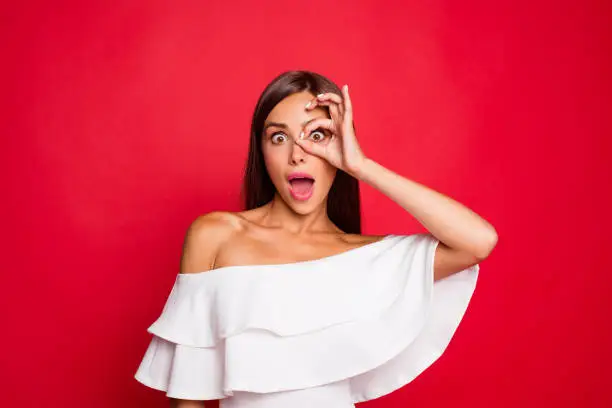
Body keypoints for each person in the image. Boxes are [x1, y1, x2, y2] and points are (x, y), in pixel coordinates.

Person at [134, 70, 498, 408]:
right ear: (262, 152)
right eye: (279, 137)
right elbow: (187, 393)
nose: (297, 154)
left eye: (316, 135)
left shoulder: (363, 258)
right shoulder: (215, 235)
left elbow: (478, 241)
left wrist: (360, 165)